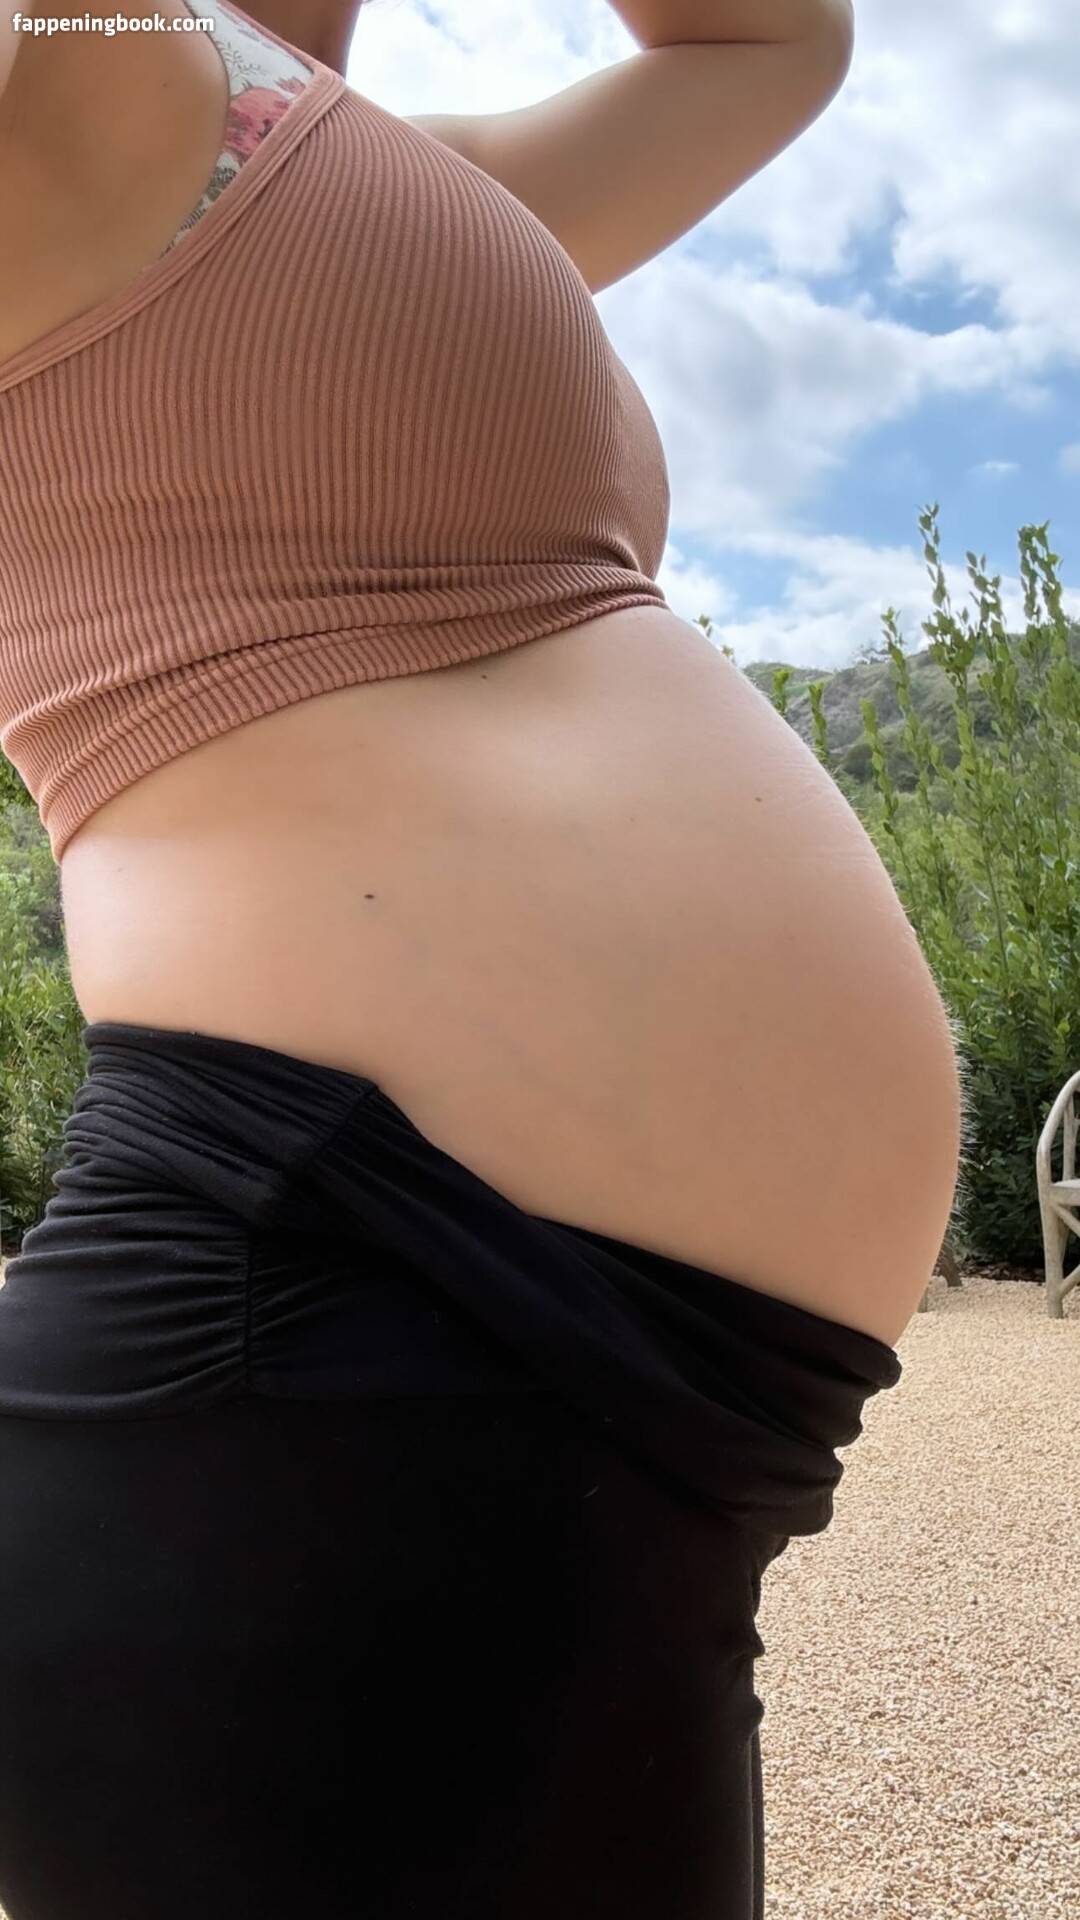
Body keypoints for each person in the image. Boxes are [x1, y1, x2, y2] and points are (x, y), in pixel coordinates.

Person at [0, 2, 962, 1915]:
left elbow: (768, 44)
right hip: (331, 1349)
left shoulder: (362, 159)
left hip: (615, 1432)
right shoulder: (91, 83)